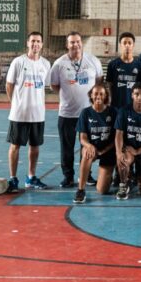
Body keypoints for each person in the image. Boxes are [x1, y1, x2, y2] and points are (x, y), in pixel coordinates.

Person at [49, 31, 104, 188]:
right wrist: (70, 94)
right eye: (72, 42)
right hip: (67, 113)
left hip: (88, 113)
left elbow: (99, 82)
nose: (76, 44)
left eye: (78, 41)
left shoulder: (93, 61)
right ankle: (68, 177)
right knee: (67, 148)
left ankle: (86, 175)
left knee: (87, 146)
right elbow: (54, 85)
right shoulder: (59, 64)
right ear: (67, 45)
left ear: (81, 43)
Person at [4, 31, 51, 192]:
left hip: (38, 114)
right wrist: (14, 103)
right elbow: (9, 85)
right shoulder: (18, 62)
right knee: (15, 146)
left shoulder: (46, 64)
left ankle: (31, 177)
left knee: (35, 146)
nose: (35, 44)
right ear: (27, 43)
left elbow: (47, 85)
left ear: (42, 44)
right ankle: (13, 178)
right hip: (19, 114)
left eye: (38, 41)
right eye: (33, 41)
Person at [73, 84, 117, 203]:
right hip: (92, 148)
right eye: (96, 93)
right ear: (91, 96)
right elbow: (82, 138)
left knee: (102, 190)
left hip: (108, 150)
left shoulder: (113, 112)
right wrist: (89, 146)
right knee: (87, 153)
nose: (98, 96)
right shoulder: (85, 113)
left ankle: (108, 176)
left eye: (101, 94)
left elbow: (116, 138)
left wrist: (104, 150)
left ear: (106, 96)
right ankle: (81, 190)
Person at [106, 32, 141, 109]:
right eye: (124, 43)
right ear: (120, 45)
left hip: (134, 107)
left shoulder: (140, 66)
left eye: (129, 43)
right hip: (116, 106)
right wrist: (110, 100)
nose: (127, 45)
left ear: (133, 45)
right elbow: (109, 85)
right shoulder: (112, 65)